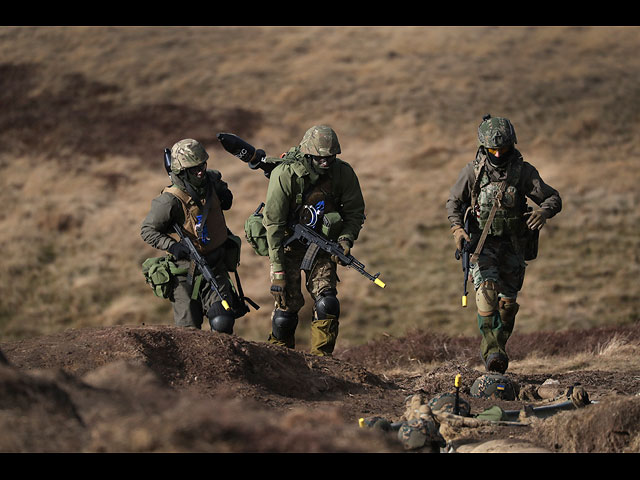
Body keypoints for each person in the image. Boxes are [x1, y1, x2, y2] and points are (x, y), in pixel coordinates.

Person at [446, 115, 562, 374]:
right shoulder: (472, 171)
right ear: (484, 148)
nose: (498, 153)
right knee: (486, 295)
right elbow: (454, 202)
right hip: (481, 245)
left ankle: (498, 347)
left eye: (503, 149)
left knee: (507, 305)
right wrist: (457, 229)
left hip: (513, 245)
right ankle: (493, 354)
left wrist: (544, 212)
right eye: (492, 150)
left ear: (512, 145)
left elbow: (553, 197)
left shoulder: (524, 172)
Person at [262, 125, 366, 355]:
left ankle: (322, 362)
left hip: (320, 248)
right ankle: (279, 358)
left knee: (327, 303)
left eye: (331, 157)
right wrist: (277, 271)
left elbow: (355, 212)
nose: (326, 162)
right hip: (287, 248)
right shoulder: (285, 175)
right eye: (321, 158)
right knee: (285, 313)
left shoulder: (343, 173)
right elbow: (274, 226)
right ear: (309, 154)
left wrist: (346, 240)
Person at [141, 138, 239, 333]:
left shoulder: (211, 182)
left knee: (223, 321)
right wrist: (173, 246)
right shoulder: (169, 201)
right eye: (194, 169)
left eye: (202, 165)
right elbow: (147, 230)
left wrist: (225, 195)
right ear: (181, 171)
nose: (200, 171)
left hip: (214, 267)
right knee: (189, 334)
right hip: (184, 274)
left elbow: (223, 193)